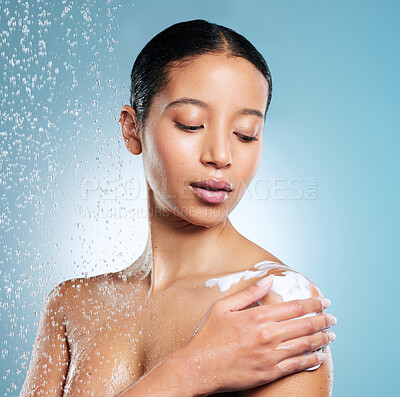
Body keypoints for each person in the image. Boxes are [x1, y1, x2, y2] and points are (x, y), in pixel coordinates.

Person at [20, 19, 336, 396]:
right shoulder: (72, 305)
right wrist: (189, 372)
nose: (220, 155)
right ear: (132, 130)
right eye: (190, 125)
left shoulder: (277, 307)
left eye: (245, 133)